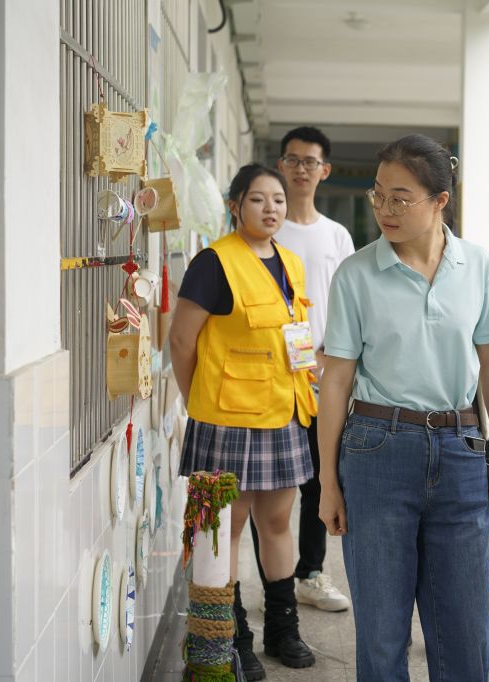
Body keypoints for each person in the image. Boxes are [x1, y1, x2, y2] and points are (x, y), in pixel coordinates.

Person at [316, 134, 489, 681]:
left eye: (400, 199)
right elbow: (336, 380)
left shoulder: (478, 266)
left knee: (465, 629)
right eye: (378, 195)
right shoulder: (357, 273)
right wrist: (328, 481)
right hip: (376, 449)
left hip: (461, 449)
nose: (385, 209)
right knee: (382, 629)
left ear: (439, 201)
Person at [170, 163, 318, 680]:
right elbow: (181, 340)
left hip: (284, 410)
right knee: (225, 530)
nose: (271, 208)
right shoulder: (214, 262)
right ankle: (232, 638)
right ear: (236, 206)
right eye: (258, 199)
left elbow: (295, 336)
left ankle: (282, 628)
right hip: (226, 418)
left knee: (277, 522)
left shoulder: (291, 263)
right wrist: (197, 399)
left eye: (278, 199)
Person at [247, 125, 355, 613]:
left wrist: (337, 359)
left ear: (324, 170)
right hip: (271, 377)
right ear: (281, 165)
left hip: (322, 376)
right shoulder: (265, 229)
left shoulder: (336, 235)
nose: (301, 169)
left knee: (319, 476)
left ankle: (310, 573)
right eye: (292, 160)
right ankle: (273, 581)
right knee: (268, 483)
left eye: (310, 162)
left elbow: (350, 303)